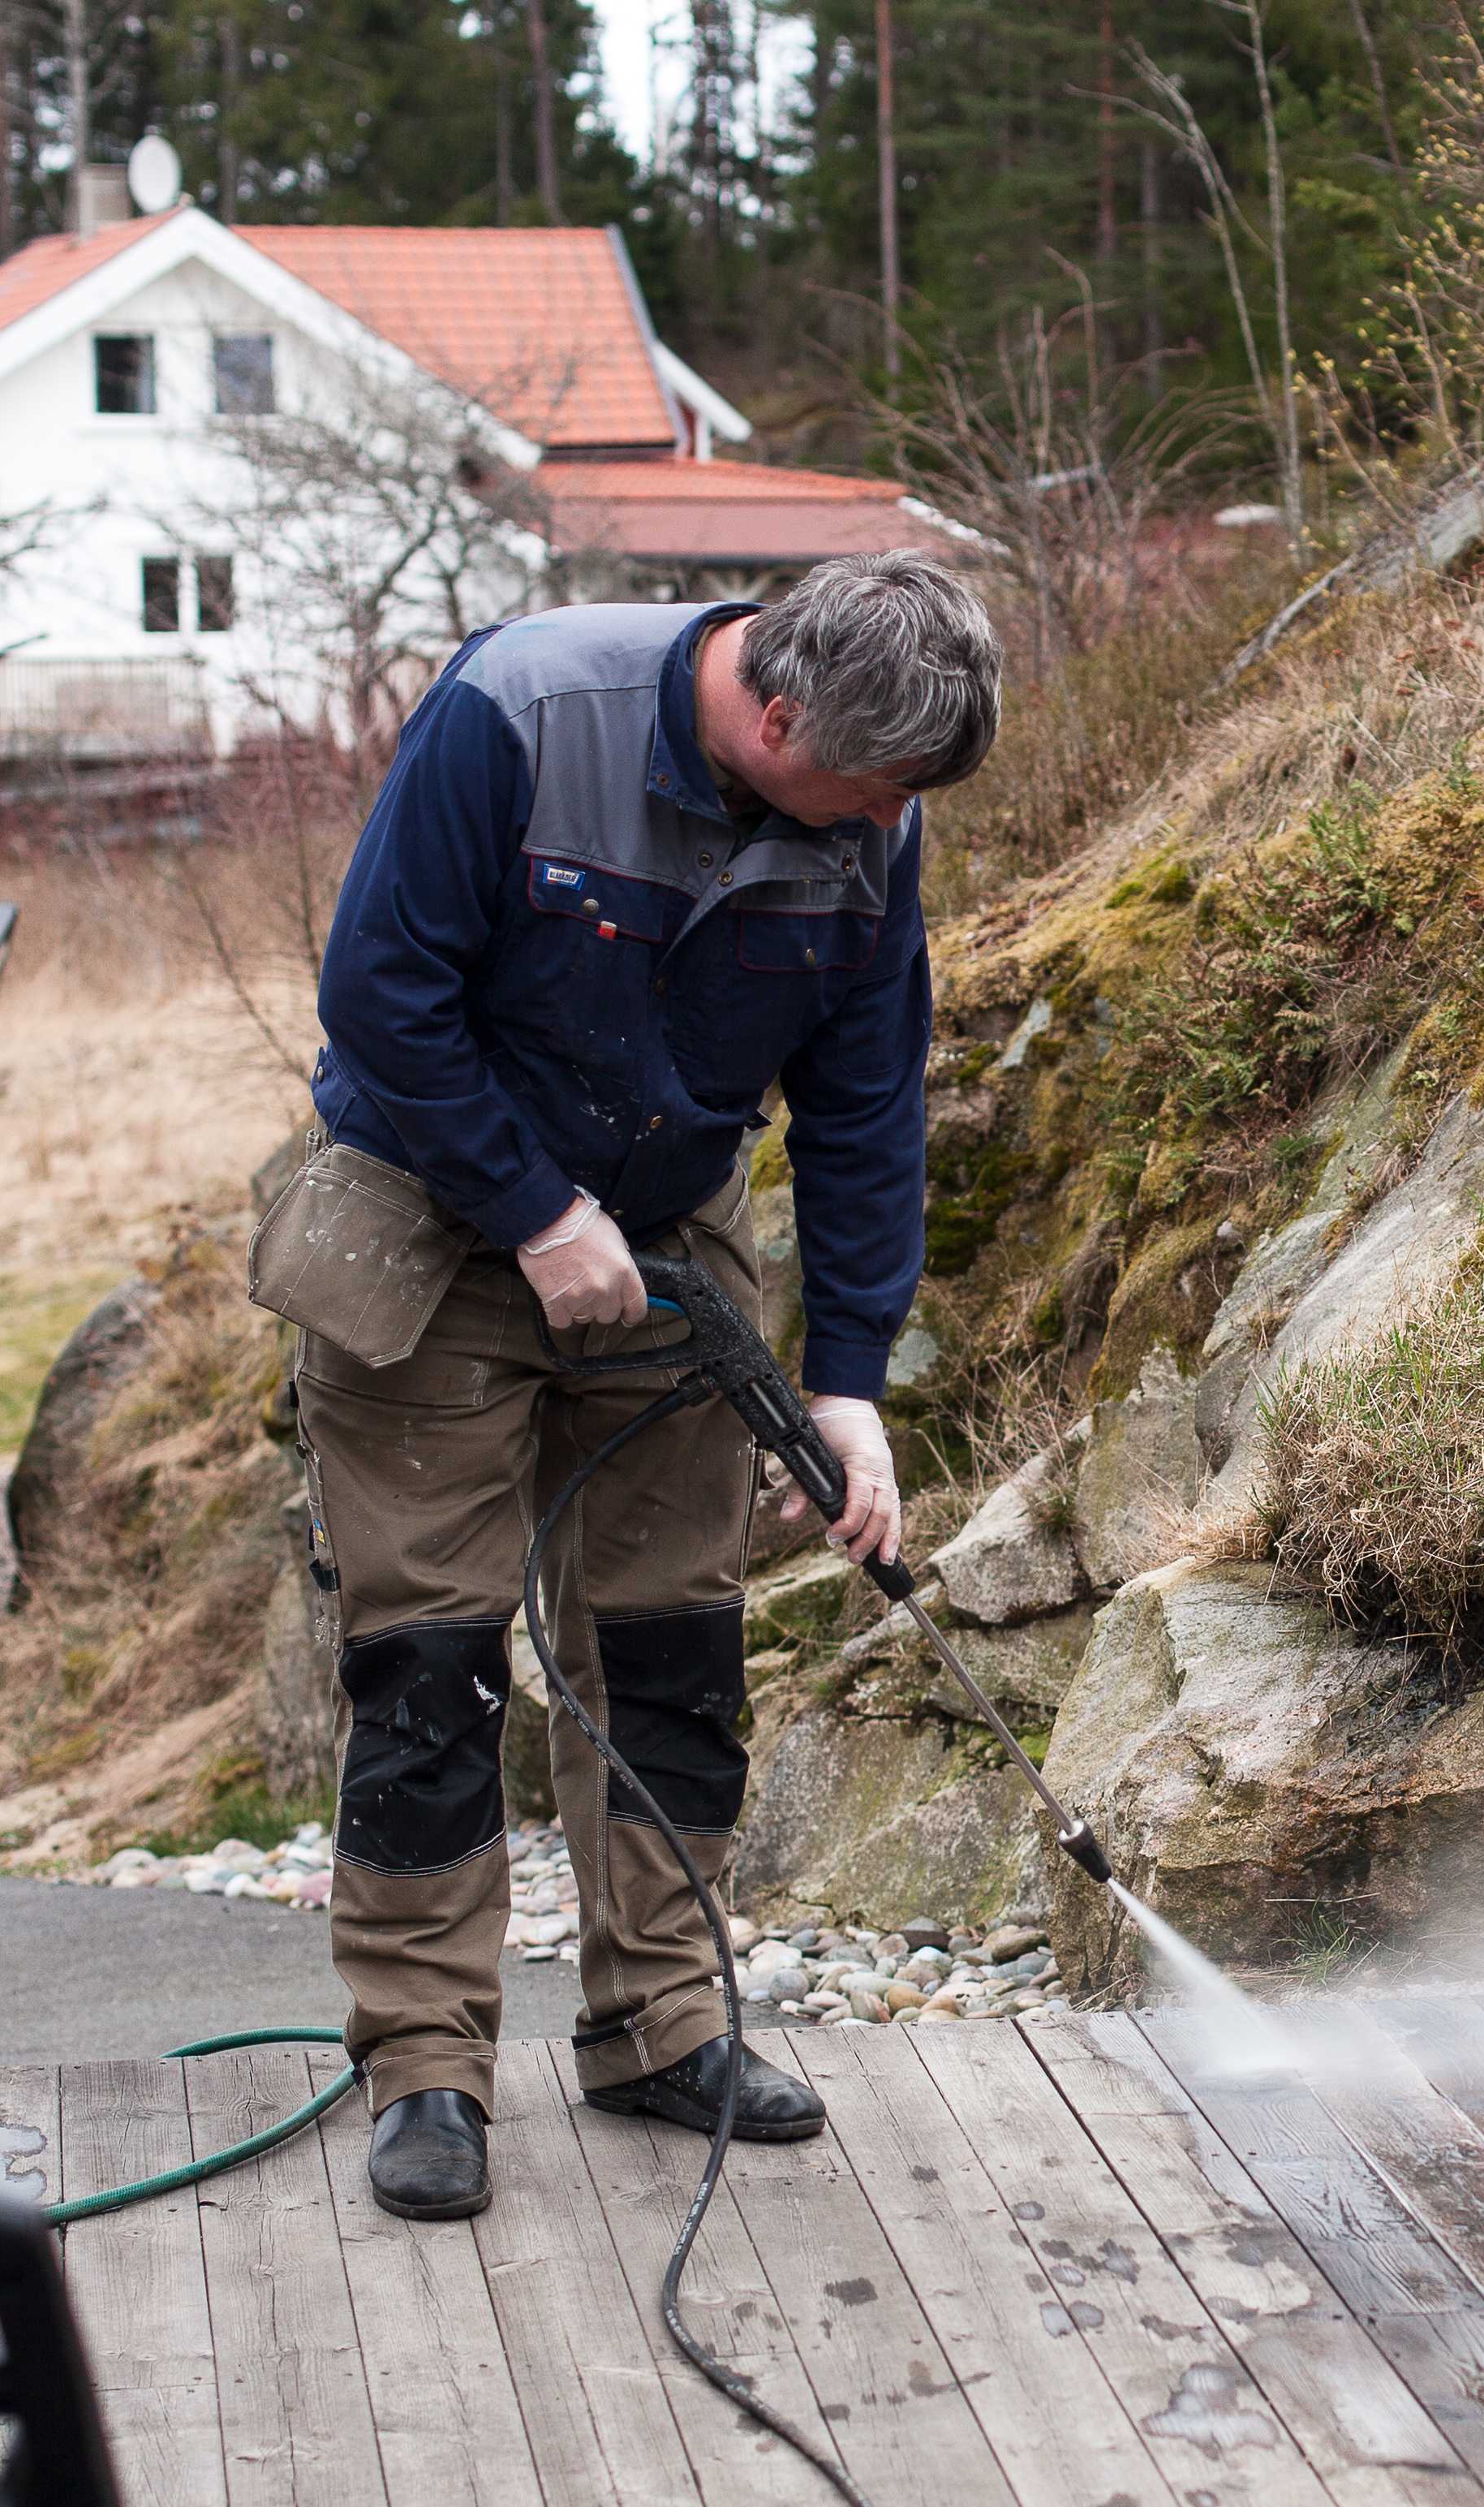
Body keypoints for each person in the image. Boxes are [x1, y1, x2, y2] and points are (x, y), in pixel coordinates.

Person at [263, 551, 1000, 2223]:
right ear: (778, 707)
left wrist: (849, 1377)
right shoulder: (522, 715)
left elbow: (869, 1102)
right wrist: (531, 1210)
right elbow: (380, 997)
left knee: (674, 1644)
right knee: (428, 1660)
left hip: (673, 1242)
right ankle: (427, 2068)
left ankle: (660, 2023)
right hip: (429, 1228)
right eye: (869, 789)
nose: (882, 827)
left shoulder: (877, 812)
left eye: (905, 802)